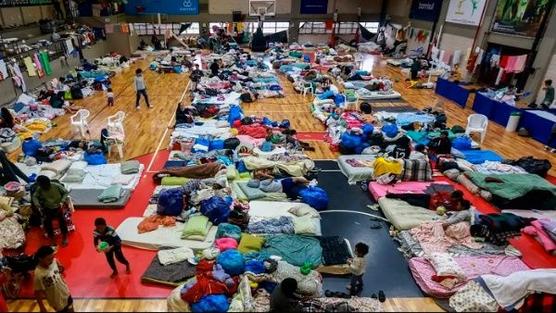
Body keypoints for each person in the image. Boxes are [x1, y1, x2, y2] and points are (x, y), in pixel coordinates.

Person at [32, 176, 70, 247]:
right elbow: (35, 196)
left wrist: (62, 201)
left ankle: (65, 236)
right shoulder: (40, 189)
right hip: (47, 208)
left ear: (47, 183)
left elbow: (65, 192)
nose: (41, 187)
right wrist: (37, 204)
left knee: (62, 220)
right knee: (47, 222)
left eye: (42, 185)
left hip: (58, 207)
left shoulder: (56, 186)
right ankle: (51, 238)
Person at [34, 246, 73, 313]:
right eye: (48, 259)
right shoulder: (38, 274)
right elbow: (37, 293)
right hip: (57, 301)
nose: (51, 260)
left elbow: (58, 265)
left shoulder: (54, 261)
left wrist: (61, 267)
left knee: (71, 310)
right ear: (40, 259)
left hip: (66, 293)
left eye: (52, 257)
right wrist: (42, 307)